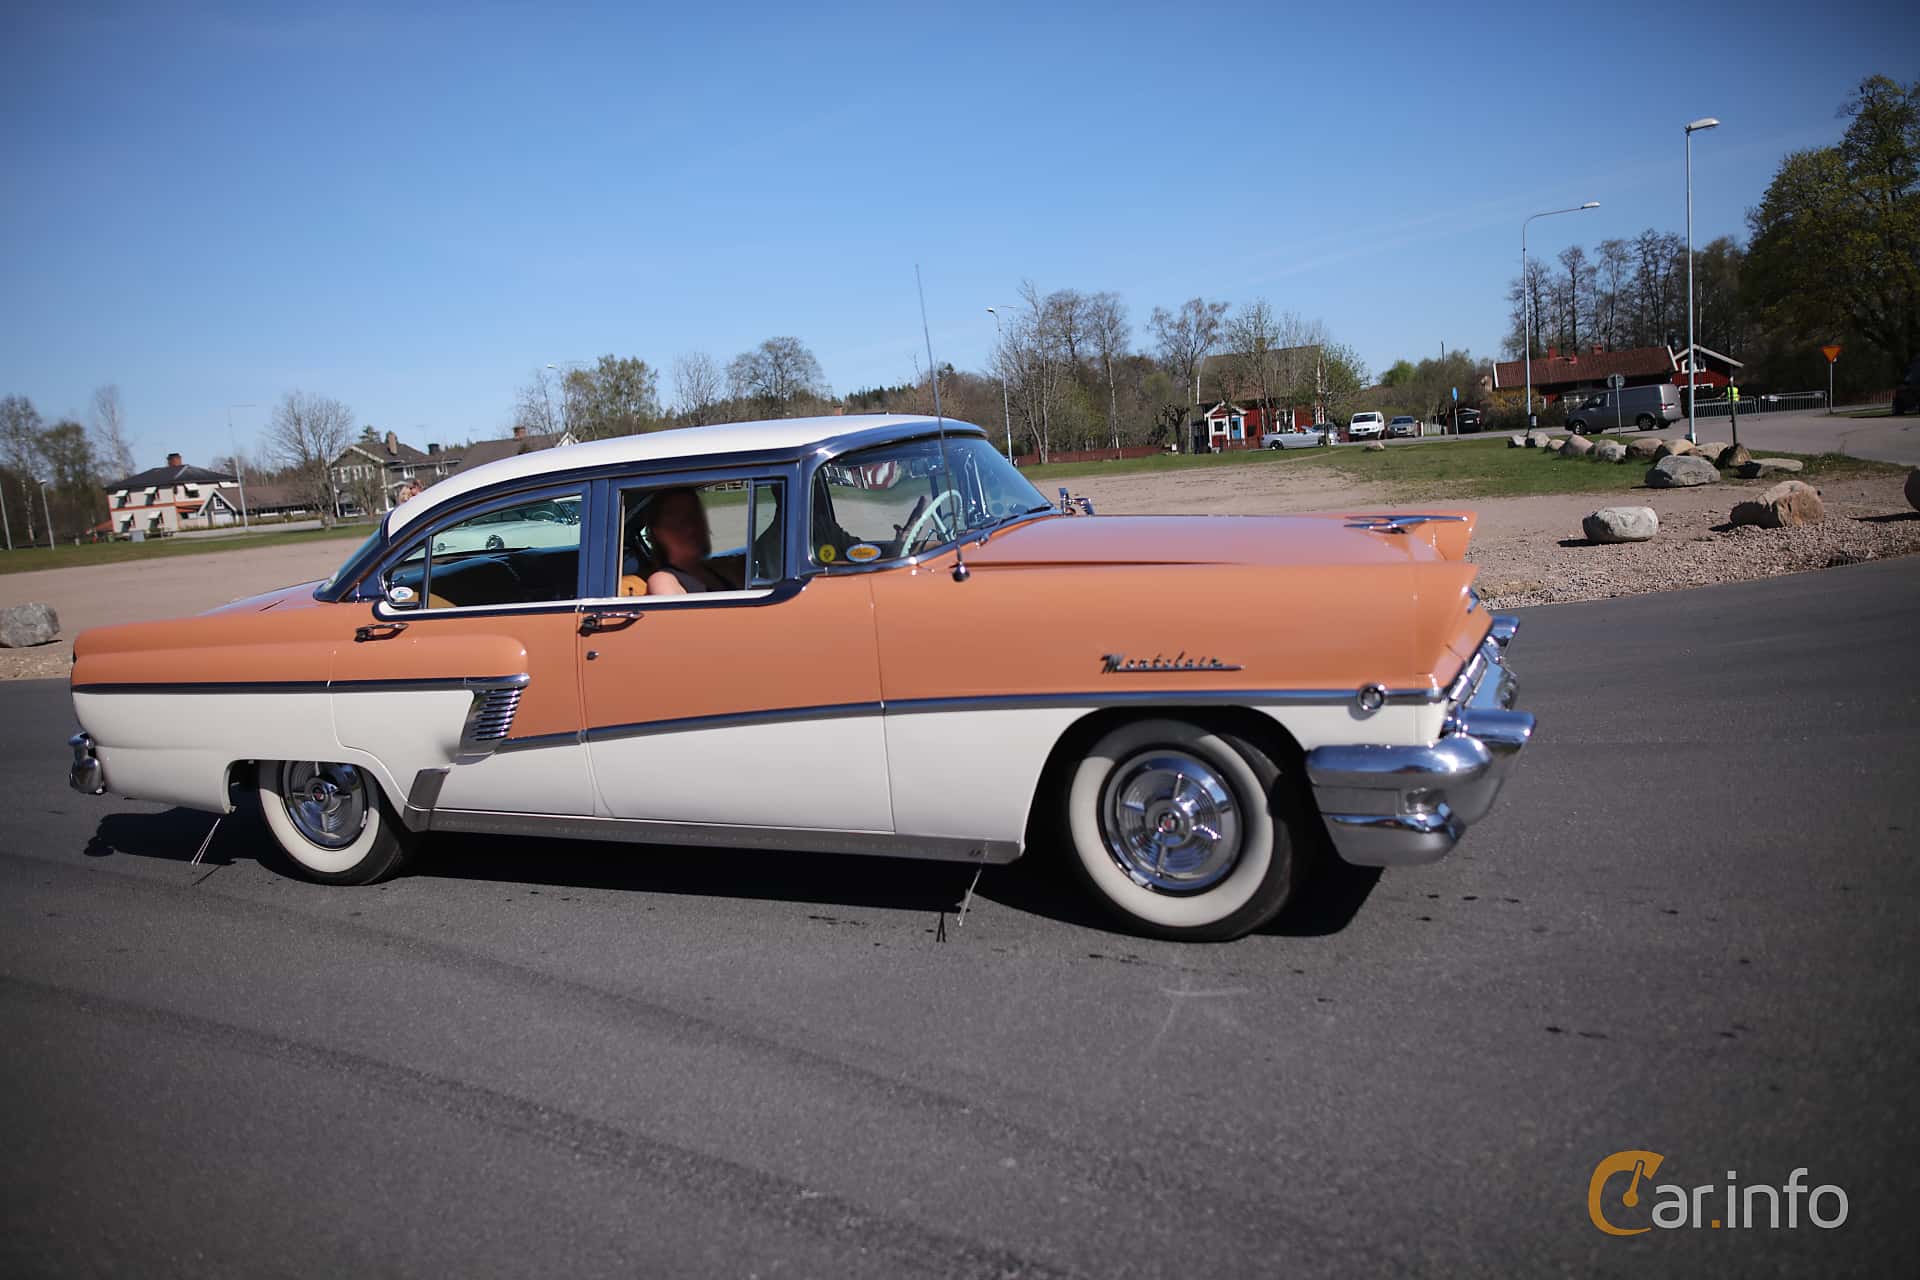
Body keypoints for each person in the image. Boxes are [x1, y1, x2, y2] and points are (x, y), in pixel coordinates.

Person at [643, 487, 736, 595]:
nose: (692, 528)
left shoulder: (714, 572)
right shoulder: (663, 580)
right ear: (658, 532)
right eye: (680, 521)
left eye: (696, 515)